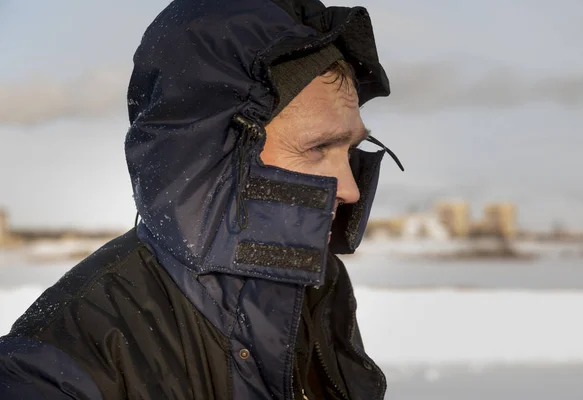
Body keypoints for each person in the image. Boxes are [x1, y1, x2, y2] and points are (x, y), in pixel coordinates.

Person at [0, 0, 403, 398]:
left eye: (348, 149)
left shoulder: (317, 285)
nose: (349, 189)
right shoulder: (58, 361)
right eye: (318, 148)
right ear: (215, 155)